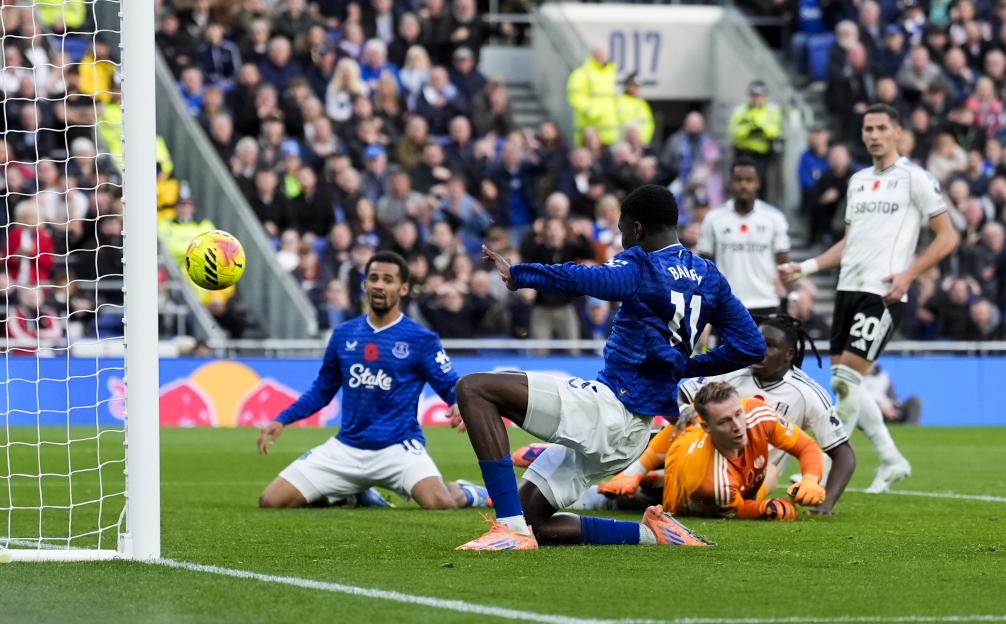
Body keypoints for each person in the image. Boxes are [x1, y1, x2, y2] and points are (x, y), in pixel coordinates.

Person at [452, 184, 766, 551]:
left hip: (609, 411)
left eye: (621, 231)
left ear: (636, 230)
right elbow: (751, 345)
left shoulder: (641, 264)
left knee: (474, 389)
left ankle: (508, 529)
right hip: (632, 434)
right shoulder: (709, 276)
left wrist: (521, 274)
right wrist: (685, 367)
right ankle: (651, 534)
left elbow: (585, 278)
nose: (621, 241)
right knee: (533, 518)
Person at [779, 103, 959, 493]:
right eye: (867, 129)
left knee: (845, 381)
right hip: (847, 288)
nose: (873, 135)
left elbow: (948, 236)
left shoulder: (915, 178)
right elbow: (848, 242)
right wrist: (805, 268)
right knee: (846, 384)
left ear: (897, 132)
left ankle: (825, 472)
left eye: (881, 128)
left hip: (884, 292)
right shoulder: (858, 181)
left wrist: (909, 274)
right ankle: (892, 459)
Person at [534, 316, 856, 516]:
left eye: (769, 346)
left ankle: (606, 491)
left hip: (746, 478)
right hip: (698, 446)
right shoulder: (733, 371)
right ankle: (561, 460)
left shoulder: (807, 393)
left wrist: (825, 501)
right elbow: (679, 393)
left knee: (678, 488)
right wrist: (687, 410)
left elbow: (842, 452)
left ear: (789, 355)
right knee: (631, 434)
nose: (759, 350)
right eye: (757, 341)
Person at [256, 251, 489, 510]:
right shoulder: (344, 334)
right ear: (365, 284)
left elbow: (449, 384)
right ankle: (353, 494)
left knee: (440, 504)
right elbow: (322, 390)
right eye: (373, 278)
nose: (379, 285)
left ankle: (468, 492)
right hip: (347, 448)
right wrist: (282, 419)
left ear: (403, 288)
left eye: (388, 279)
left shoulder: (421, 339)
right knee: (271, 501)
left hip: (398, 448)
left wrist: (459, 404)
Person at [600, 385, 825, 520]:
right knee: (633, 497)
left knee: (771, 470)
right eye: (726, 421)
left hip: (698, 464)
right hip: (689, 493)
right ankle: (656, 482)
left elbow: (807, 447)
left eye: (738, 413)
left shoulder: (757, 413)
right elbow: (738, 511)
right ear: (707, 428)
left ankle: (650, 476)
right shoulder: (712, 484)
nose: (738, 425)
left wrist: (811, 479)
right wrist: (766, 508)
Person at [699, 160, 791, 316]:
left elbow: (784, 262)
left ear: (758, 183)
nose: (743, 185)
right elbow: (705, 262)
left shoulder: (774, 218)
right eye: (738, 180)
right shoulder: (713, 218)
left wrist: (791, 294)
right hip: (726, 303)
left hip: (766, 302)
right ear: (730, 183)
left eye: (749, 180)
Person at [728, 80, 783, 187]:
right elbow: (733, 131)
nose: (757, 98)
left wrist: (762, 130)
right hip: (743, 152)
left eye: (760, 95)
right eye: (754, 95)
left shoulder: (772, 110)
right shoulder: (740, 110)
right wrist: (749, 130)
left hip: (762, 153)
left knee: (760, 180)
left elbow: (776, 130)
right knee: (740, 179)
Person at [566, 47, 618, 146]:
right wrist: (590, 110)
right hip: (590, 128)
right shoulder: (582, 73)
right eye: (600, 54)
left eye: (604, 54)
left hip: (609, 130)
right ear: (592, 55)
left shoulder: (610, 73)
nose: (603, 57)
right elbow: (575, 96)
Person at [615, 73, 654, 145]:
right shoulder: (617, 100)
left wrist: (642, 141)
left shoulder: (642, 103)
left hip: (639, 144)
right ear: (627, 85)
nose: (636, 88)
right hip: (621, 143)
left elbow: (648, 125)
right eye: (633, 85)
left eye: (638, 86)